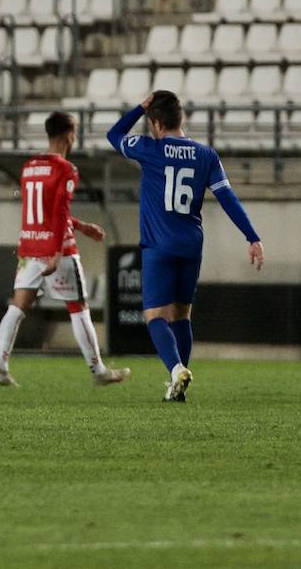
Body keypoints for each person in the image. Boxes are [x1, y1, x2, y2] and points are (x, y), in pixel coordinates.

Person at [108, 90, 264, 402]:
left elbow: (114, 134)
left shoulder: (148, 148)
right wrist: (252, 237)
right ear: (182, 119)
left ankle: (176, 369)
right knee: (181, 315)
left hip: (158, 243)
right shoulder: (206, 155)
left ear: (155, 123)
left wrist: (139, 107)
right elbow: (228, 199)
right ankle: (177, 386)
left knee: (155, 316)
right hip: (191, 244)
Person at [0, 111, 130, 388]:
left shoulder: (30, 166)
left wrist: (81, 226)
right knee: (78, 309)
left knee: (18, 306)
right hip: (59, 249)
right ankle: (98, 370)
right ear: (69, 135)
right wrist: (56, 252)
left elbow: (45, 212)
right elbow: (58, 210)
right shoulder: (66, 170)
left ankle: (1, 367)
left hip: (29, 246)